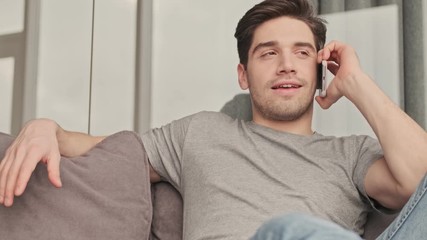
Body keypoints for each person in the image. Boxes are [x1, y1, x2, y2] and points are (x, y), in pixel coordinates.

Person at [1, 0, 427, 239]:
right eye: (268, 53)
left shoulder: (350, 154)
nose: (286, 65)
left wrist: (356, 81)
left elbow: (418, 182)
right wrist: (45, 128)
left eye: (301, 53)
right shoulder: (199, 133)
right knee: (290, 230)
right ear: (243, 74)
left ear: (318, 70)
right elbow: (98, 149)